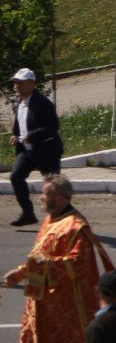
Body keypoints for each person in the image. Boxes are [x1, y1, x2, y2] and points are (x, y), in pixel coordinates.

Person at [9, 68, 62, 228]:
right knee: (16, 176)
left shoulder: (43, 103)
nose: (17, 87)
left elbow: (52, 127)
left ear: (32, 84)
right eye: (15, 83)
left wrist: (31, 135)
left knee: (52, 186)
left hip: (47, 150)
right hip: (27, 150)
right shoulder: (20, 102)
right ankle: (28, 214)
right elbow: (20, 124)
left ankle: (59, 218)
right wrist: (15, 135)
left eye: (21, 83)